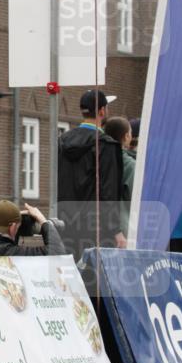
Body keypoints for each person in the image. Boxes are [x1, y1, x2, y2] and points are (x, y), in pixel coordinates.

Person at [57, 89, 125, 261]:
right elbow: (107, 190)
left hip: (68, 223)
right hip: (97, 228)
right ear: (102, 111)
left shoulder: (63, 142)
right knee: (97, 280)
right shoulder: (105, 145)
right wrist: (115, 230)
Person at [103, 116, 136, 237]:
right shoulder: (130, 164)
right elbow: (134, 198)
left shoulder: (96, 159)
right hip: (122, 227)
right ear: (127, 136)